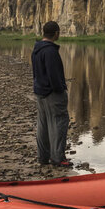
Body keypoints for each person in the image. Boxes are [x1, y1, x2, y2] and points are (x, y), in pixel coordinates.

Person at [31, 20, 71, 167]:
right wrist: (60, 89)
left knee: (43, 124)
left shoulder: (37, 49)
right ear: (56, 33)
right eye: (58, 32)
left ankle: (43, 157)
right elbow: (54, 75)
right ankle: (58, 158)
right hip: (52, 94)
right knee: (59, 122)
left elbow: (36, 73)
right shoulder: (50, 51)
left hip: (40, 92)